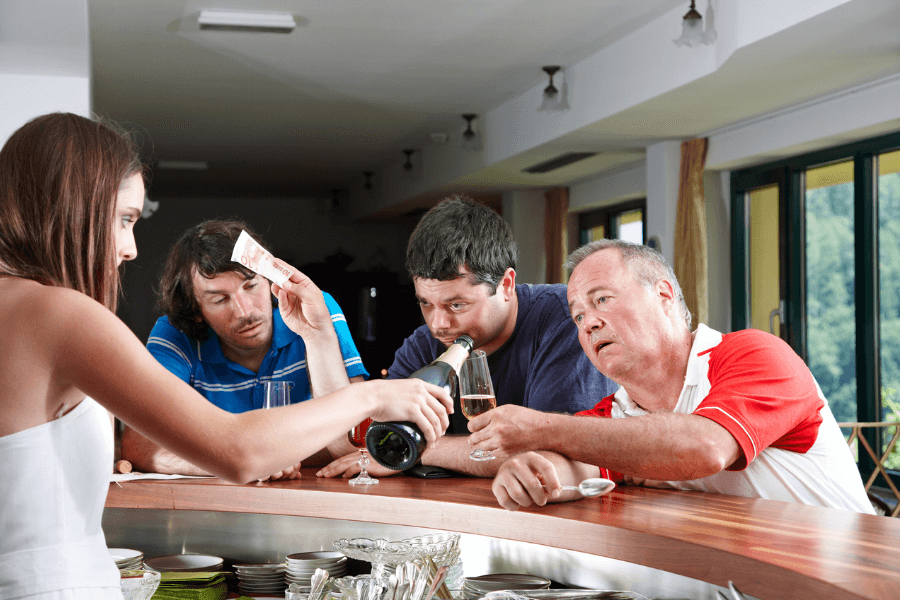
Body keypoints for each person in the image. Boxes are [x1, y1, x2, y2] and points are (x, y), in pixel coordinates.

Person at [0, 112, 452, 600]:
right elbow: (240, 453)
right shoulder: (60, 315)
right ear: (72, 208)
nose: (130, 248)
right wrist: (377, 395)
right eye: (124, 219)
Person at [470, 238, 875, 514]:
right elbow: (576, 468)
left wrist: (538, 428)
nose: (588, 323)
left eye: (603, 300)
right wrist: (529, 472)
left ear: (664, 296)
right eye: (578, 315)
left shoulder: (754, 354)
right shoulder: (613, 418)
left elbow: (703, 446)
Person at [318, 195, 618, 479]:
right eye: (426, 303)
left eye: (456, 305)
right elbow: (375, 442)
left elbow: (556, 455)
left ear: (506, 285)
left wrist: (419, 449)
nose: (439, 324)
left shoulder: (566, 319)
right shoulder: (424, 345)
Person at [120, 220, 368, 478]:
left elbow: (351, 443)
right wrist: (242, 462)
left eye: (251, 286)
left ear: (270, 280)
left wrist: (317, 335)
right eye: (220, 299)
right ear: (196, 311)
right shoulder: (175, 333)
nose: (245, 312)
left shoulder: (312, 309)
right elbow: (139, 446)